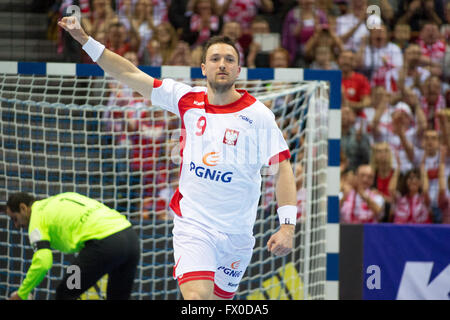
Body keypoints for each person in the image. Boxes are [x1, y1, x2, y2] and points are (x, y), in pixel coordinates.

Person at [58, 16, 297, 300]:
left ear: (239, 69)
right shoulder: (187, 99)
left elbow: (282, 168)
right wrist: (85, 40)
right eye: (216, 58)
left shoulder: (259, 115)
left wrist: (287, 226)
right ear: (203, 67)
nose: (222, 64)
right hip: (193, 225)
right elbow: (131, 74)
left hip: (237, 234)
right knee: (196, 299)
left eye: (230, 59)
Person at [4, 192, 140, 300]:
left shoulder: (36, 218)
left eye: (15, 219)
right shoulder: (62, 198)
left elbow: (43, 262)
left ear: (23, 208)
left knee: (65, 292)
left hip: (104, 243)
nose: (16, 225)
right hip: (130, 237)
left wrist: (22, 293)